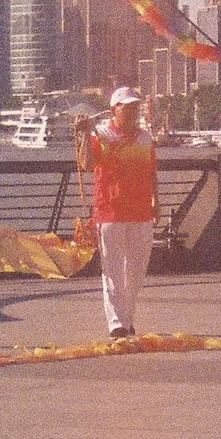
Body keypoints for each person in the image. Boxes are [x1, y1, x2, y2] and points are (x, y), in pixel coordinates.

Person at [78, 87, 158, 338]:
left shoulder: (145, 138)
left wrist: (158, 201)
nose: (133, 111)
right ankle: (116, 323)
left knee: (136, 271)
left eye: (136, 106)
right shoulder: (101, 135)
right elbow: (86, 164)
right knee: (112, 270)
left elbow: (151, 172)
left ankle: (127, 318)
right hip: (110, 211)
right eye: (127, 106)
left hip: (141, 211)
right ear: (114, 109)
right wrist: (85, 134)